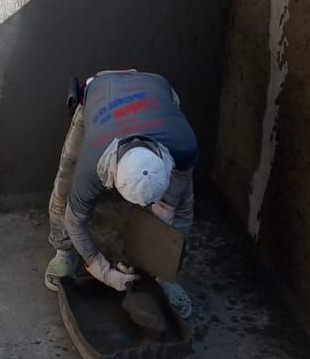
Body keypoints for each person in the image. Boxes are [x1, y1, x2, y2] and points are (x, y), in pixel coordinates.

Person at [44, 70, 197, 296]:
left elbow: (182, 195)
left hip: (155, 89)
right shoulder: (93, 163)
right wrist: (100, 267)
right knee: (64, 186)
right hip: (100, 91)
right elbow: (74, 220)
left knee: (181, 204)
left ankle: (165, 271)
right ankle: (65, 250)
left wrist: (167, 206)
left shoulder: (183, 143)